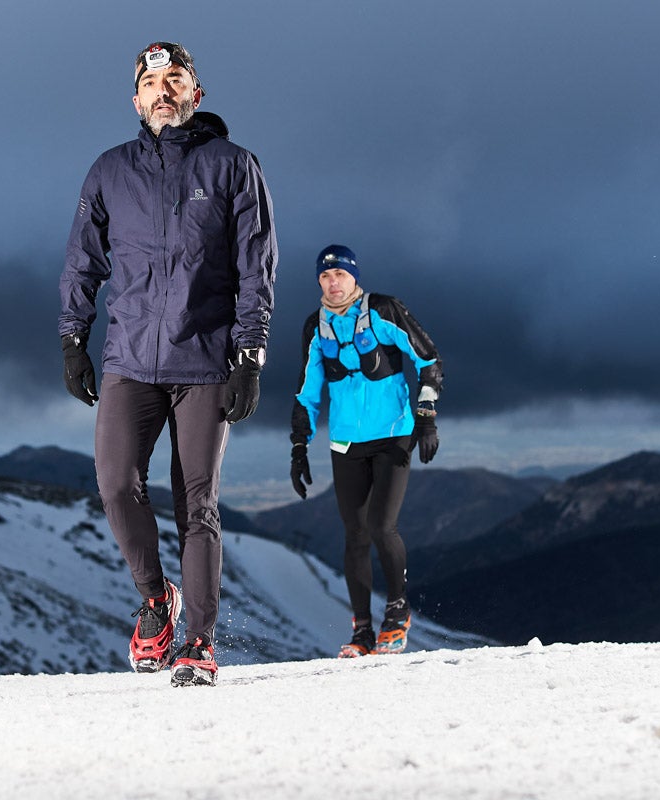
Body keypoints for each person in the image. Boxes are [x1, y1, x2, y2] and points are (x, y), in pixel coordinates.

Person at [58, 41, 277, 687]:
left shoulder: (234, 166)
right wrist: (73, 339)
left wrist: (250, 355)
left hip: (206, 360)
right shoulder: (108, 170)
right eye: (150, 81)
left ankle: (199, 643)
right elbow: (82, 261)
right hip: (129, 355)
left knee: (196, 504)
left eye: (174, 79)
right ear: (136, 99)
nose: (162, 90)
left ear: (195, 94)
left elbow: (255, 269)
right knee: (115, 483)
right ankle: (157, 601)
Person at [289, 244, 442, 658]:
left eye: (339, 274)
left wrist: (426, 416)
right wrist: (298, 447)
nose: (332, 282)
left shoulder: (384, 310)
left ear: (354, 276)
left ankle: (397, 613)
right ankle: (362, 632)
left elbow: (428, 360)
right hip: (346, 443)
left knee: (380, 526)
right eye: (324, 276)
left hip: (393, 435)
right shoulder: (315, 327)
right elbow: (307, 391)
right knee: (354, 535)